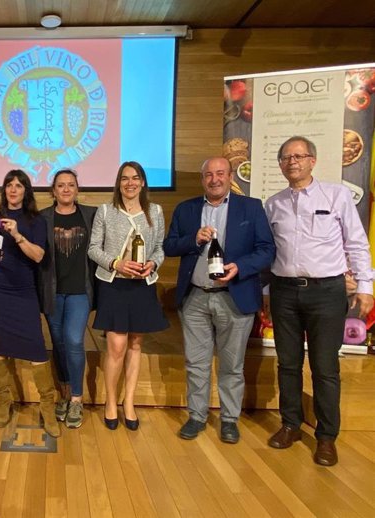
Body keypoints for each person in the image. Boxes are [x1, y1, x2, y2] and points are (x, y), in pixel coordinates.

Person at [265, 136, 373, 466]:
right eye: (286, 157)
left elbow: (356, 243)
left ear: (313, 160)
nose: (292, 162)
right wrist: (267, 293)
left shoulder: (337, 196)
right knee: (288, 363)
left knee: (325, 367)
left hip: (327, 292)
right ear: (280, 164)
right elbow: (269, 253)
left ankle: (326, 437)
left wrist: (366, 286)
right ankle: (290, 424)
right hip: (283, 291)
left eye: (298, 156)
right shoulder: (273, 204)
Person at [163, 157, 275, 443]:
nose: (214, 179)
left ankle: (228, 419)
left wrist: (241, 267)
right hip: (196, 298)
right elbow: (169, 246)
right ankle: (197, 416)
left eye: (220, 173)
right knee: (196, 362)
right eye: (209, 174)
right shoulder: (187, 209)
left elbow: (266, 250)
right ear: (203, 179)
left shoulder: (250, 207)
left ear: (229, 177)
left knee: (232, 364)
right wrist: (194, 239)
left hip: (234, 297)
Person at [0, 169, 60, 437]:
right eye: (9, 185)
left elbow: (38, 256)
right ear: (4, 190)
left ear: (26, 191)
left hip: (22, 291)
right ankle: (4, 400)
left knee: (36, 347)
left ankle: (48, 405)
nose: (13, 190)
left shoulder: (35, 221)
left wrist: (18, 235)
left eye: (19, 186)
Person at [88, 161, 169, 431]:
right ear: (118, 183)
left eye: (135, 178)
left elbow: (159, 248)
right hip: (114, 285)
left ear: (143, 182)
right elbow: (93, 249)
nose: (130, 183)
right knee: (116, 346)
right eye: (125, 178)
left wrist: (153, 264)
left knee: (135, 345)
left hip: (142, 286)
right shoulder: (105, 211)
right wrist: (115, 263)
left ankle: (129, 402)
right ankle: (111, 402)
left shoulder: (155, 212)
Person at [39, 169, 96, 429]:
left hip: (79, 292)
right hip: (52, 292)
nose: (65, 189)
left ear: (77, 189)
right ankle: (63, 393)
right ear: (53, 190)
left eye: (70, 185)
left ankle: (76, 398)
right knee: (59, 342)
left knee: (74, 340)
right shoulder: (42, 218)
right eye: (60, 185)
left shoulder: (92, 216)